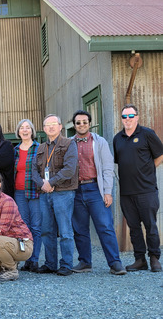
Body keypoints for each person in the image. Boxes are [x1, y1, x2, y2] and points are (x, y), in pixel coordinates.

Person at [69, 110, 126, 275]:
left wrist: (107, 192)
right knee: (79, 229)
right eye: (78, 122)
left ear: (89, 123)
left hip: (96, 189)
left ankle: (115, 262)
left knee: (105, 226)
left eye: (85, 122)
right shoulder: (69, 143)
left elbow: (108, 168)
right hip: (76, 191)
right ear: (74, 125)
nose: (81, 125)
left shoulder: (99, 142)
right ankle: (85, 262)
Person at [113, 104, 163, 272]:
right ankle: (140, 259)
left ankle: (155, 258)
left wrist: (148, 170)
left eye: (131, 116)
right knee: (134, 228)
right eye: (124, 117)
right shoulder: (117, 138)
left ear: (137, 117)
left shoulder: (147, 134)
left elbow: (160, 155)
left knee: (150, 226)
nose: (128, 119)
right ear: (121, 119)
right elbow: (119, 161)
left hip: (146, 190)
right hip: (126, 192)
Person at [32, 114, 78, 276]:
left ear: (60, 127)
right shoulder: (40, 148)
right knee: (46, 230)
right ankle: (51, 263)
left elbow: (70, 169)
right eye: (47, 125)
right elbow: (34, 171)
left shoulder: (69, 144)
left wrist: (51, 182)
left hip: (63, 193)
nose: (51, 127)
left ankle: (66, 264)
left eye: (54, 124)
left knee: (65, 231)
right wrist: (42, 184)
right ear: (44, 129)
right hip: (45, 194)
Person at [13, 119, 42, 272]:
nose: (25, 130)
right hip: (19, 192)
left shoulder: (39, 148)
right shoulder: (15, 150)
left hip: (35, 191)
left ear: (32, 131)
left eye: (28, 128)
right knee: (24, 228)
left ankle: (35, 260)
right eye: (22, 128)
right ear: (18, 132)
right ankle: (26, 260)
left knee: (36, 227)